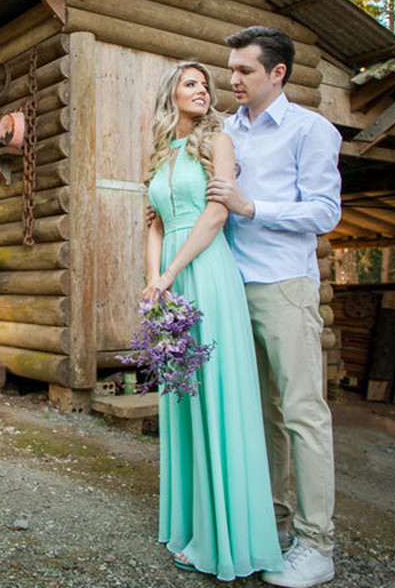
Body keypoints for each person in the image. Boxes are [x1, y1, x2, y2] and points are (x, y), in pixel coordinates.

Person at [205, 26, 342, 588]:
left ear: (277, 73)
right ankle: (270, 526)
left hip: (285, 285)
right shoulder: (222, 130)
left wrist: (251, 206)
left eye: (245, 71)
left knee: (303, 413)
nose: (232, 80)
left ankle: (317, 546)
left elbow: (324, 213)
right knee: (260, 414)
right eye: (231, 70)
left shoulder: (312, 130)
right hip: (232, 288)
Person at [143, 60, 284, 581]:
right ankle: (187, 524)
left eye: (206, 85)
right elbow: (153, 223)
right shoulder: (161, 153)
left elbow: (218, 214)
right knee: (182, 396)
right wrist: (153, 281)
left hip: (208, 269)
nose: (202, 91)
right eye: (191, 84)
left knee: (215, 393)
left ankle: (223, 536)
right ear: (171, 94)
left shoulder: (218, 140)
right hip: (170, 278)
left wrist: (173, 271)